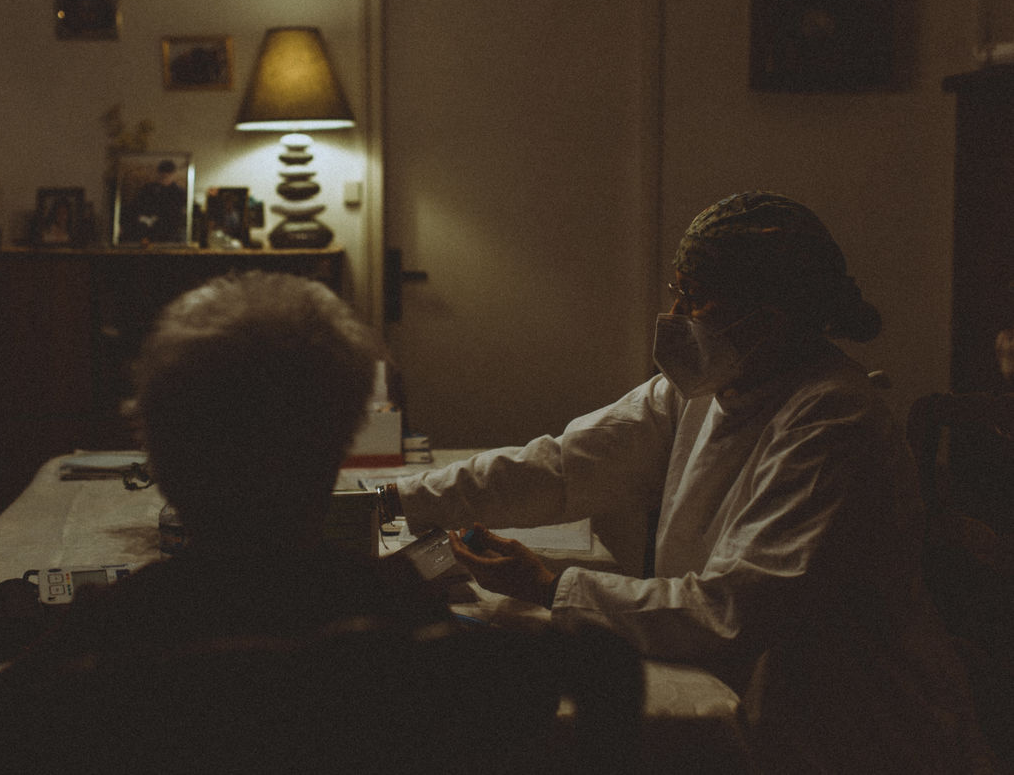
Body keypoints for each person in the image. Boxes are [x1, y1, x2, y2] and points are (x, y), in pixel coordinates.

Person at [0, 272, 640, 774]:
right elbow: (589, 671)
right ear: (340, 449)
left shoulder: (103, 635)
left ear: (157, 453)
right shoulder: (419, 625)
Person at [380, 192, 993, 773]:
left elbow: (729, 612)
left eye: (694, 298)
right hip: (750, 694)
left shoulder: (834, 419)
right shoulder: (709, 387)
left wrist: (548, 585)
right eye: (679, 292)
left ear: (768, 319)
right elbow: (564, 466)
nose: (675, 316)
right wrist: (399, 497)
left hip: (847, 732)